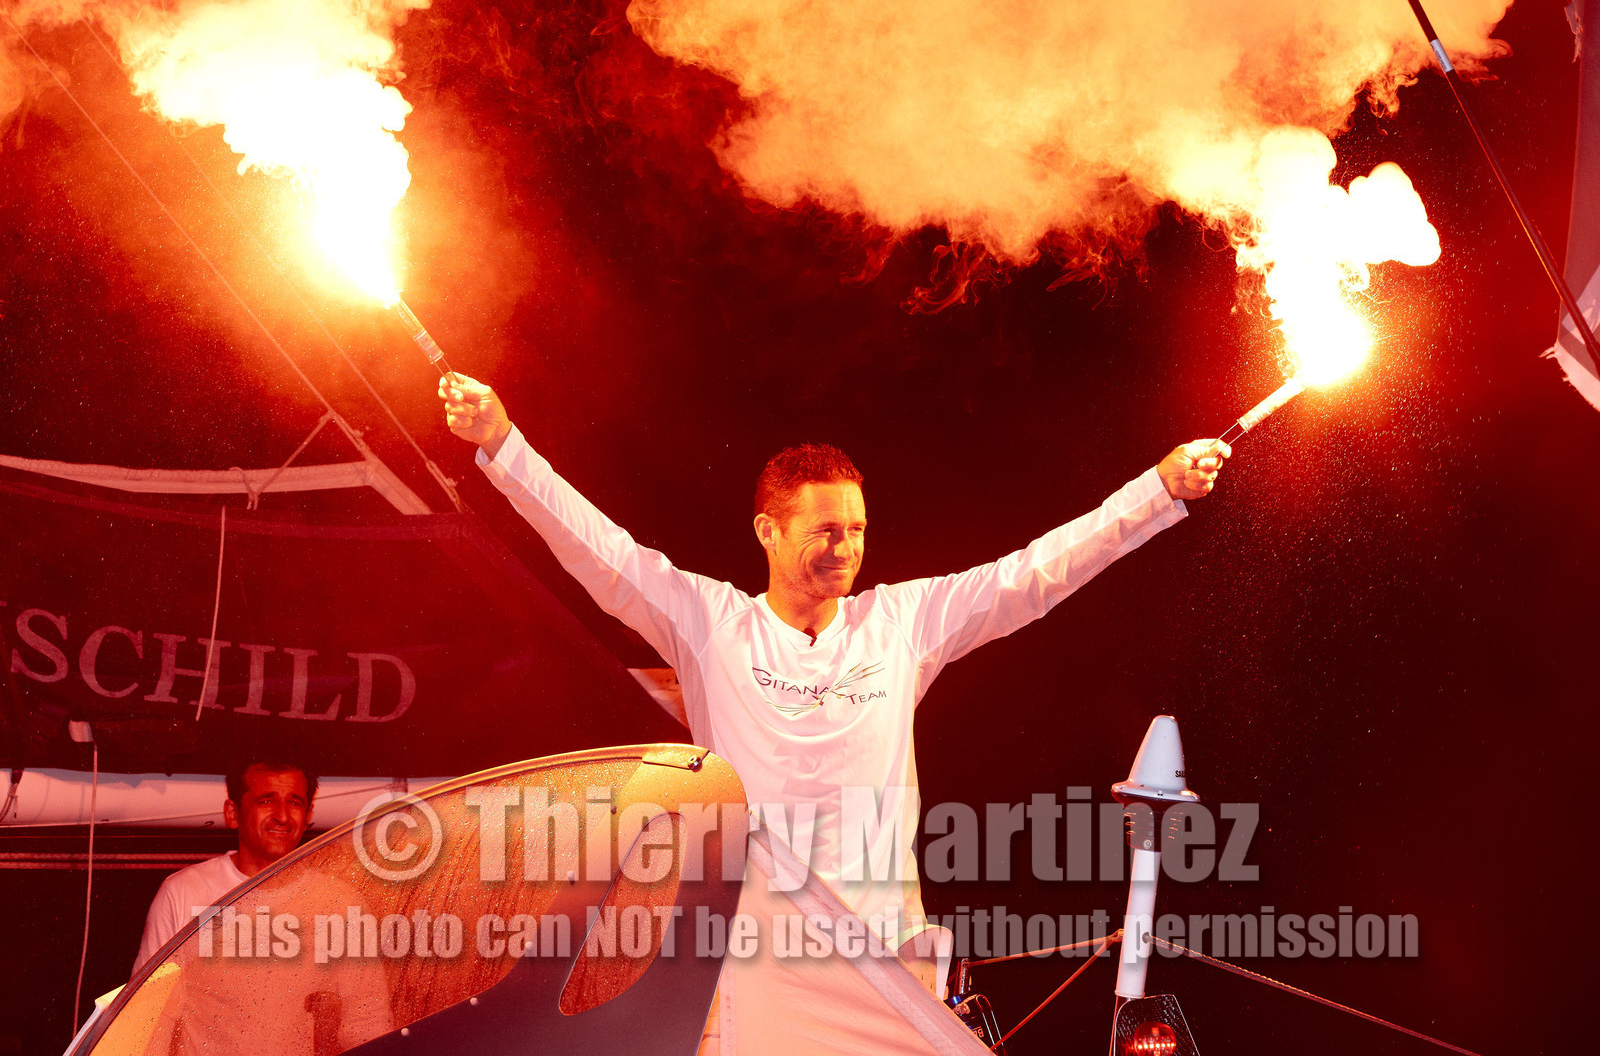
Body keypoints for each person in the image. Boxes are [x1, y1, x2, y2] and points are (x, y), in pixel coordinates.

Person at [439, 372, 1226, 989]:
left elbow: (1036, 573)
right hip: (750, 958)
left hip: (884, 957)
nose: (845, 547)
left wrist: (1154, 492)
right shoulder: (709, 623)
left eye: (855, 528)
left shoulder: (901, 623)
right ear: (767, 532)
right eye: (823, 530)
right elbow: (595, 548)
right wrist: (504, 444)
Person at [132, 756, 316, 975]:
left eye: (294, 803)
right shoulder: (183, 891)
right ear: (233, 814)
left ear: (308, 816)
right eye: (266, 801)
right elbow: (147, 1002)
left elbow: (354, 999)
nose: (283, 817)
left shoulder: (336, 898)